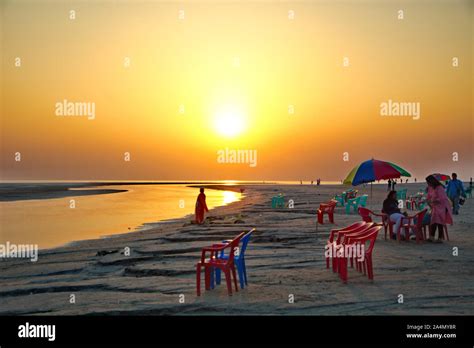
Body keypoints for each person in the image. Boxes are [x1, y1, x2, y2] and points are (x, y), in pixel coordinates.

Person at [426, 175, 453, 242]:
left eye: (428, 182)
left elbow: (443, 198)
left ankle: (440, 238)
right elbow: (430, 196)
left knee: (439, 222)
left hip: (441, 207)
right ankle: (432, 237)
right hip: (435, 207)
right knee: (434, 222)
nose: (428, 183)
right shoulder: (432, 188)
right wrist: (429, 201)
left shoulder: (440, 187)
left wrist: (434, 201)